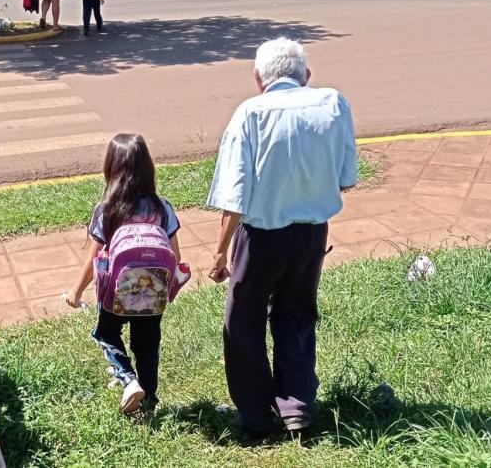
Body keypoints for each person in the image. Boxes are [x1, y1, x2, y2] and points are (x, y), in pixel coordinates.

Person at [207, 38, 358, 435]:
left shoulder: (249, 114)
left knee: (243, 320)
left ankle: (257, 414)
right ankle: (295, 404)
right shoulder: (333, 104)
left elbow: (234, 196)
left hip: (261, 238)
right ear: (305, 76)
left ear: (258, 79)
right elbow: (346, 178)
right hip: (311, 235)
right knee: (296, 313)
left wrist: (220, 254)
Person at [65, 133, 183, 415]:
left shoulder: (107, 210)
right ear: (148, 167)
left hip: (115, 292)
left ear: (111, 168)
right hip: (153, 291)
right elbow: (175, 257)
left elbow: (94, 258)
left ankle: (128, 379)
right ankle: (150, 403)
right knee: (147, 344)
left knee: (106, 333)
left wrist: (76, 291)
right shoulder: (162, 208)